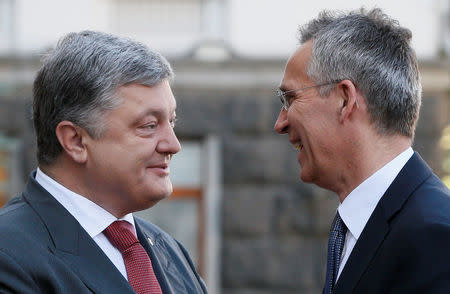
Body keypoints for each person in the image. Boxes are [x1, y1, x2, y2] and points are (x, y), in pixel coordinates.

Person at [0, 31, 207, 294]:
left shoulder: (172, 253)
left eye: (172, 122)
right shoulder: (9, 257)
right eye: (149, 125)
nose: (173, 145)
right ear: (75, 140)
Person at [274, 8, 450, 294]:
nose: (280, 123)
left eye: (290, 98)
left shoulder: (434, 237)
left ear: (345, 100)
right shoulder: (371, 225)